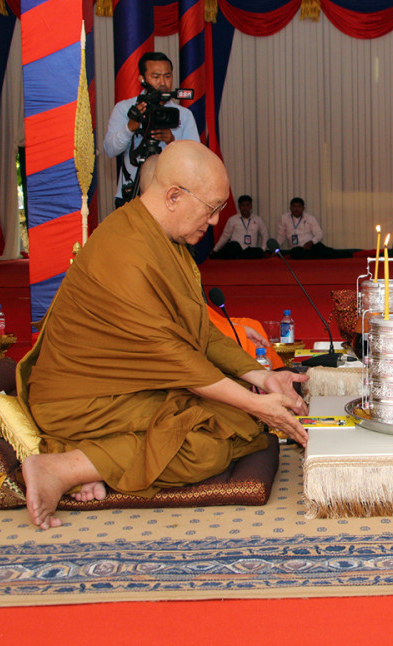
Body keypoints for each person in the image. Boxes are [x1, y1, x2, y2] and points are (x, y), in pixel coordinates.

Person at [19, 141, 309, 530]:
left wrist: (262, 377)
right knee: (206, 445)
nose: (214, 222)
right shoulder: (126, 252)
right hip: (81, 402)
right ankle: (62, 468)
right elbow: (176, 357)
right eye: (211, 209)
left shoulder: (160, 237)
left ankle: (97, 461)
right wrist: (258, 404)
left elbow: (198, 329)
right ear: (174, 196)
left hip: (131, 385)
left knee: (238, 422)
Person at [103, 52, 199, 207]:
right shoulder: (125, 109)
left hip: (171, 199)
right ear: (142, 79)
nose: (163, 82)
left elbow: (196, 160)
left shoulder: (184, 115)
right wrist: (130, 127)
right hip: (131, 196)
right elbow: (110, 150)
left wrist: (171, 142)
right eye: (156, 77)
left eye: (167, 76)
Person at [275, 198, 349, 259]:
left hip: (311, 245)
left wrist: (311, 242)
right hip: (297, 248)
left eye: (299, 207)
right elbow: (281, 235)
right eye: (294, 206)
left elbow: (319, 234)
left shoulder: (310, 218)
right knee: (295, 254)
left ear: (303, 208)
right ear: (290, 208)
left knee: (324, 251)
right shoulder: (284, 218)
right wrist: (275, 249)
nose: (296, 209)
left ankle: (348, 254)